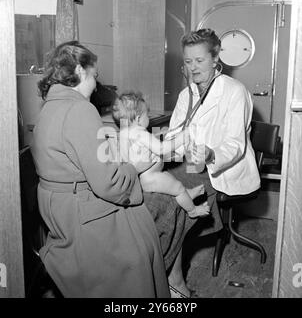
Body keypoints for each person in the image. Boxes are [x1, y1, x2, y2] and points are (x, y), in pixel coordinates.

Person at [31, 41, 170, 298]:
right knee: (142, 241)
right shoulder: (80, 109)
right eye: (95, 76)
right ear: (81, 71)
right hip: (80, 216)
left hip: (59, 210)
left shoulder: (50, 107)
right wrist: (133, 167)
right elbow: (110, 184)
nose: (96, 84)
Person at [163, 28, 261, 297]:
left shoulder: (234, 91)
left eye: (199, 60)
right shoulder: (187, 95)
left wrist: (210, 154)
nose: (192, 67)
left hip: (222, 168)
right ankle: (160, 271)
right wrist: (157, 147)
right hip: (192, 164)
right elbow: (175, 136)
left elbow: (235, 145)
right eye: (187, 61)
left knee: (172, 201)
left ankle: (174, 282)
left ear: (215, 58)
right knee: (158, 191)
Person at [111, 91, 210, 219]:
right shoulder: (141, 133)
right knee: (178, 187)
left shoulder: (123, 133)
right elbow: (162, 149)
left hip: (145, 177)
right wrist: (183, 137)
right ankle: (192, 211)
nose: (150, 118)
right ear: (138, 119)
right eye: (148, 114)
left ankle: (188, 194)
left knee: (171, 180)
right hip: (150, 177)